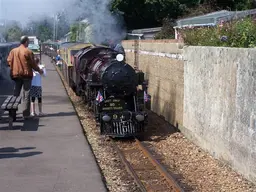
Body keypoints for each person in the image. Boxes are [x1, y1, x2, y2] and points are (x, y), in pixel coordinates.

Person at [7, 36, 43, 119]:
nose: (29, 43)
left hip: (16, 75)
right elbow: (33, 64)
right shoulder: (28, 52)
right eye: (28, 42)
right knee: (26, 95)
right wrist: (39, 70)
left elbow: (8, 61)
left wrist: (15, 66)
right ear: (26, 42)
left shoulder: (13, 51)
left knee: (16, 94)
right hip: (26, 76)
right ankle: (26, 115)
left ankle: (12, 114)